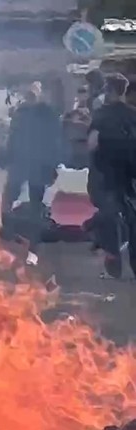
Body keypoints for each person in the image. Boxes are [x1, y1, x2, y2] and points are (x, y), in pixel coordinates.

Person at [87, 73, 136, 279]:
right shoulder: (133, 114)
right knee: (133, 219)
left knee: (110, 218)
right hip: (130, 174)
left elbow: (92, 143)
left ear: (109, 90)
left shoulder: (101, 114)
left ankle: (113, 261)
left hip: (106, 174)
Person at [0, 85, 63, 231]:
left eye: (33, 95)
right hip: (23, 158)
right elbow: (13, 135)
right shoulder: (22, 112)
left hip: (35, 159)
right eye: (29, 95)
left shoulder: (47, 113)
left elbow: (54, 138)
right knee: (13, 190)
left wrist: (53, 161)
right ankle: (9, 221)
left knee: (33, 192)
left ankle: (32, 223)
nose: (30, 98)